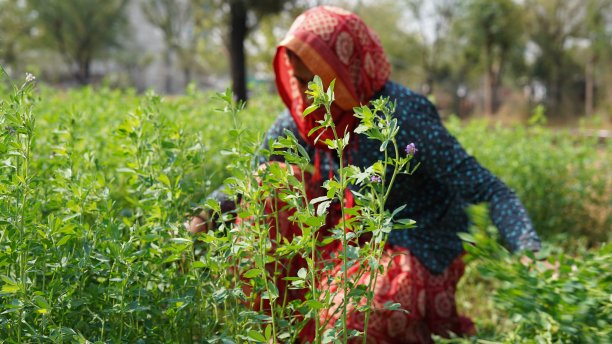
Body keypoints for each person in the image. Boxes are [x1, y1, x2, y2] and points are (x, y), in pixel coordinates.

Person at [188, 5, 542, 343]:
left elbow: (491, 190)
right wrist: (202, 218)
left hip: (408, 243)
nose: (307, 95)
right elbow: (249, 183)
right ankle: (279, 327)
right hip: (339, 242)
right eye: (299, 80)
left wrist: (529, 252)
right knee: (269, 182)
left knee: (351, 324)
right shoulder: (301, 120)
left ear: (348, 71)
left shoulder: (404, 116)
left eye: (318, 81)